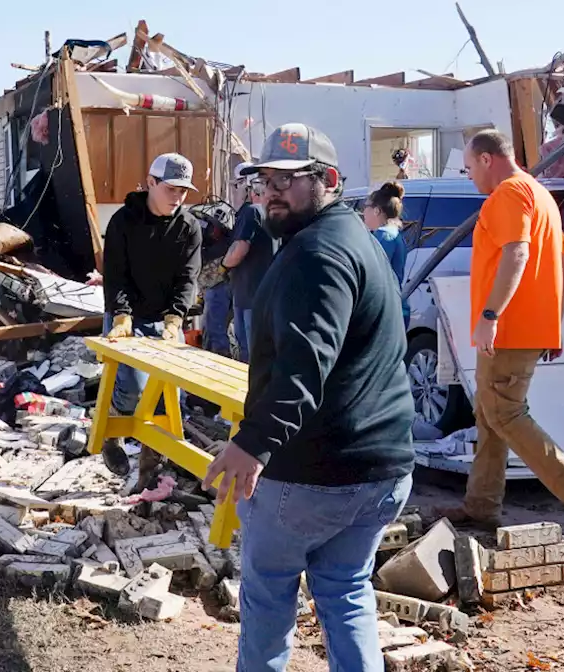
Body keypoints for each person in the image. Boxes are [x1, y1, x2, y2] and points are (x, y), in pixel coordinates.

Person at [204, 123, 414, 671]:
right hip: (380, 470)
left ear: (329, 180)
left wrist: (252, 444)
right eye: (265, 178)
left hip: (312, 474)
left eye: (290, 179)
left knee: (270, 596)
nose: (272, 190)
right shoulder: (352, 240)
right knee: (345, 591)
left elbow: (303, 368)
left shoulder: (316, 257)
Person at [436, 129, 564, 538]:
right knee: (489, 415)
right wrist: (553, 323)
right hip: (526, 328)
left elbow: (517, 251)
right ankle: (481, 506)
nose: (470, 177)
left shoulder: (508, 194)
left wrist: (490, 313)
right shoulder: (542, 198)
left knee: (504, 413)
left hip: (509, 329)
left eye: (469, 168)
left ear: (487, 159)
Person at [101, 152, 203, 483]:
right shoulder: (122, 222)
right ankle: (112, 431)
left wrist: (174, 320)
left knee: (165, 396)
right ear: (151, 183)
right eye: (171, 189)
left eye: (183, 191)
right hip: (126, 313)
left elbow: (188, 278)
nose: (178, 197)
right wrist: (122, 317)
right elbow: (116, 276)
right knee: (131, 386)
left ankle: (151, 468)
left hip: (164, 318)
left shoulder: (189, 228)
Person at [221, 163, 273, 362]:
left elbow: (239, 249)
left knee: (249, 356)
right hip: (261, 296)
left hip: (249, 296)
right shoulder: (270, 213)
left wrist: (222, 267)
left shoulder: (251, 211)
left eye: (237, 185)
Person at [360, 181, 410, 329]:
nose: (363, 212)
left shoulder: (383, 236)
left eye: (366, 207)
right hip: (396, 308)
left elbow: (372, 277)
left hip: (385, 312)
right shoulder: (393, 233)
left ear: (376, 210)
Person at [200, 201, 237, 357]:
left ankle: (219, 364)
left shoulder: (221, 247)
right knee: (213, 331)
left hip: (220, 287)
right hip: (217, 287)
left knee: (215, 333)